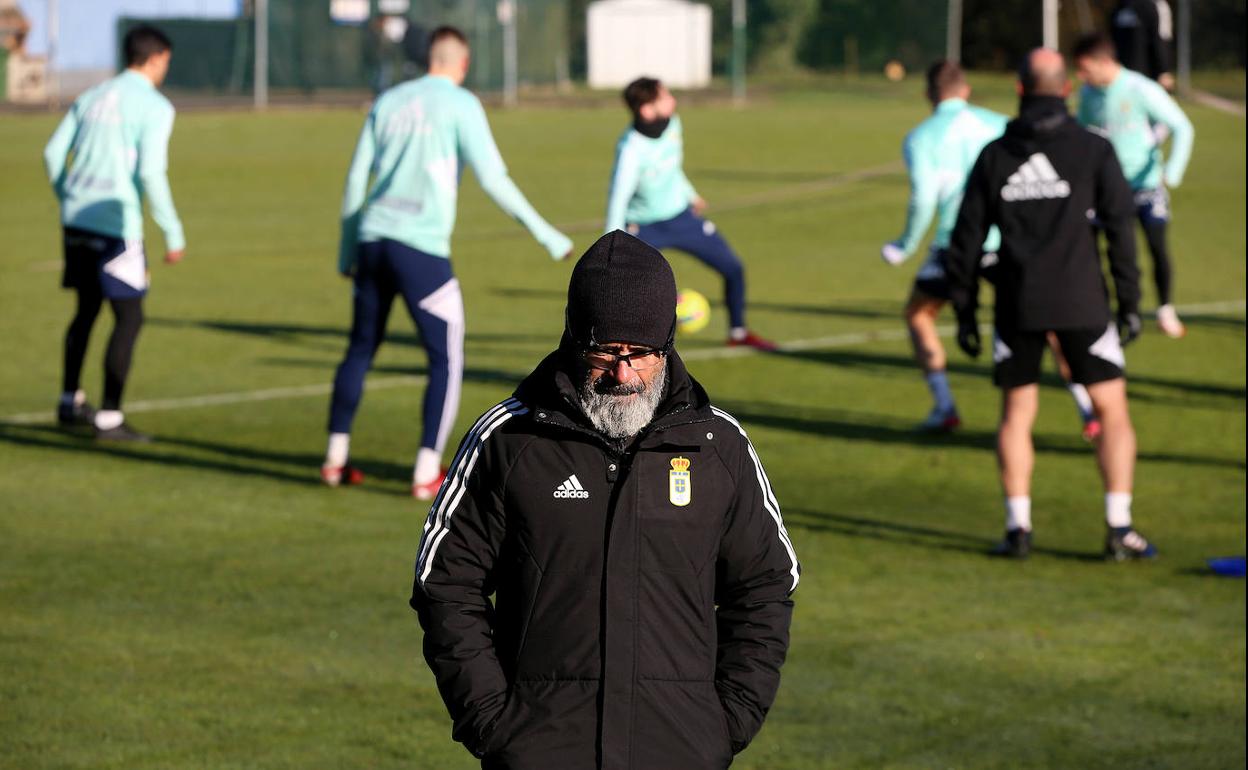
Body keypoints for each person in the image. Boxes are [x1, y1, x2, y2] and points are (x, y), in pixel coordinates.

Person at [410, 231, 799, 768]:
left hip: (681, 750)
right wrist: (493, 722)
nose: (624, 374)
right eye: (606, 351)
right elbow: (445, 584)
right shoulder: (509, 440)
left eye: (643, 354)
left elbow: (766, 585)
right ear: (573, 338)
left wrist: (726, 721)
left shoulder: (718, 446)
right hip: (541, 750)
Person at [326, 26, 573, 498]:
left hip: (373, 242)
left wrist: (347, 249)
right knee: (446, 356)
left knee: (359, 350)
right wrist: (546, 234)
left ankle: (334, 459)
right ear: (461, 64)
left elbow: (357, 178)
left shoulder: (390, 100)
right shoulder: (462, 104)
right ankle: (425, 471)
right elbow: (494, 177)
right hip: (420, 250)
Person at [945, 48, 1156, 561]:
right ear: (1067, 90)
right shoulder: (1092, 149)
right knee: (1111, 410)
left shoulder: (995, 155)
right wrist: (1130, 299)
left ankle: (1019, 529)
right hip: (1083, 301)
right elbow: (1120, 230)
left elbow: (966, 242)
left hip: (1017, 304)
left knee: (1017, 414)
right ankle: (1119, 527)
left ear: (1019, 89)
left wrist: (966, 310)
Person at [43, 25, 185, 442]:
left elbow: (52, 153)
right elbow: (150, 172)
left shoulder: (90, 96)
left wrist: (68, 196)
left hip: (76, 220)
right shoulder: (155, 106)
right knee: (129, 316)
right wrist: (173, 232)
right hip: (116, 228)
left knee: (86, 309)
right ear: (156, 58)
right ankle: (109, 417)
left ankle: (69, 400)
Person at [605, 77, 777, 351]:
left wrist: (690, 193)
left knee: (733, 268)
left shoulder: (673, 124)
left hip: (681, 217)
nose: (672, 100)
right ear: (647, 110)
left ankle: (738, 332)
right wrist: (610, 247)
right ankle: (623, 349)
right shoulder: (630, 151)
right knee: (627, 293)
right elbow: (617, 199)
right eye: (665, 97)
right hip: (644, 228)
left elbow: (671, 167)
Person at [881, 61, 1007, 432]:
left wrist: (905, 245)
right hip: (1005, 242)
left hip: (954, 245)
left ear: (928, 95)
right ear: (966, 90)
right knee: (1044, 322)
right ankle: (1088, 409)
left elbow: (924, 199)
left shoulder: (920, 138)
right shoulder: (999, 124)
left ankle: (945, 407)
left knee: (919, 314)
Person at [1074, 32, 1194, 339]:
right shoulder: (1088, 94)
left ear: (1103, 62)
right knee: (1109, 252)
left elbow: (1182, 127)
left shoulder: (1141, 88)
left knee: (1156, 248)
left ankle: (1165, 308)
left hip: (1147, 187)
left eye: (1085, 68)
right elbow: (1082, 134)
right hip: (1107, 191)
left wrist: (1171, 172)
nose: (1081, 76)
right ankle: (1116, 311)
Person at [1111, 0, 1175, 91]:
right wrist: (1163, 70)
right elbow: (1159, 40)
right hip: (1146, 75)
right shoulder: (1155, 5)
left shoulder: (1119, 7)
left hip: (1122, 74)